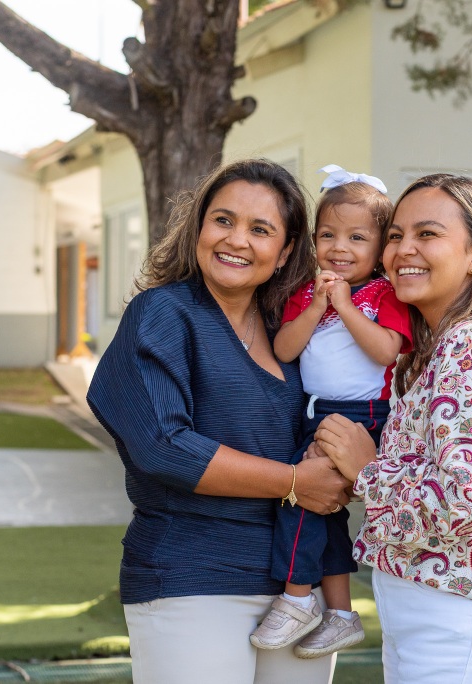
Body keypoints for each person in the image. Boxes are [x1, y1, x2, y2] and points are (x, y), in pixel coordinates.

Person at [86, 159, 352, 684]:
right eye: (223, 220)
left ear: (287, 251)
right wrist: (298, 482)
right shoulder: (164, 313)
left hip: (299, 587)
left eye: (261, 229)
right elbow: (163, 445)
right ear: (199, 229)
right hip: (191, 578)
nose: (237, 240)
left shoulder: (293, 333)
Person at [314, 174, 472, 683]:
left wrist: (367, 468)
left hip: (468, 617)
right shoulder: (437, 348)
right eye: (395, 235)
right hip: (438, 613)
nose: (403, 250)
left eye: (427, 235)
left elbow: (463, 504)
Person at [250, 165, 412, 658]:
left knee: (299, 498)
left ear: (381, 247)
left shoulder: (383, 293)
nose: (339, 248)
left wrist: (344, 306)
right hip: (314, 412)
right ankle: (341, 613)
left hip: (359, 414)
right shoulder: (308, 291)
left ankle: (298, 598)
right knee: (326, 512)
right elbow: (283, 348)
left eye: (357, 237)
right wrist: (318, 306)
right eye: (328, 235)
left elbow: (387, 351)